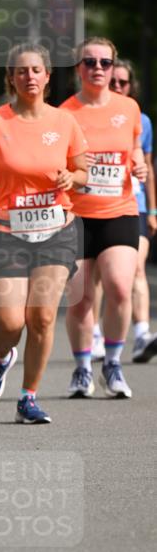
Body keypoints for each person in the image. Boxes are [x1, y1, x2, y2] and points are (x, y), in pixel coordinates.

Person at [0, 44, 87, 424]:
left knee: (43, 318)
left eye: (36, 70)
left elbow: (82, 172)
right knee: (10, 322)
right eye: (21, 71)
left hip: (56, 232)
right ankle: (1, 358)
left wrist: (72, 177)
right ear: (11, 78)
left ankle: (28, 398)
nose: (29, 77)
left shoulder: (64, 121)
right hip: (5, 233)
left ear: (48, 76)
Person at [62, 38, 148, 398]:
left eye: (105, 62)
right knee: (80, 298)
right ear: (79, 68)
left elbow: (134, 149)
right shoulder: (65, 113)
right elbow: (51, 162)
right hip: (77, 216)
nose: (98, 68)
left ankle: (112, 363)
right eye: (90, 62)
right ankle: (82, 369)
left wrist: (139, 163)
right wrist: (76, 167)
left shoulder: (128, 108)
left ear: (113, 68)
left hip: (120, 210)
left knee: (118, 286)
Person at [109, 59, 157, 362]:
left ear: (131, 86)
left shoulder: (142, 120)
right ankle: (98, 336)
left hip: (133, 203)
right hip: (96, 204)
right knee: (102, 276)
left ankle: (142, 334)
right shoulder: (81, 115)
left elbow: (148, 167)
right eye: (113, 81)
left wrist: (153, 209)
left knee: (135, 267)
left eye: (122, 83)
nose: (116, 87)